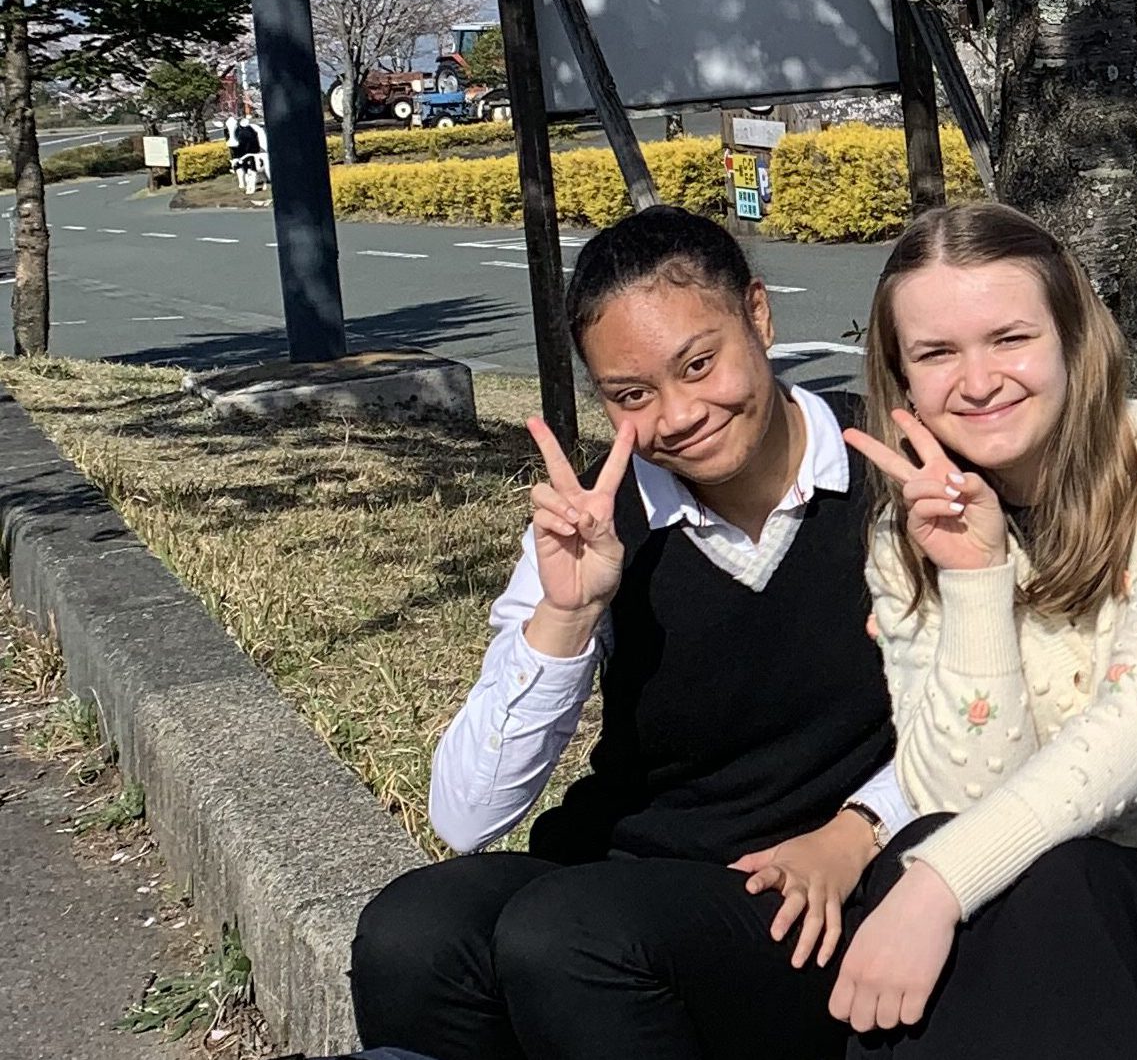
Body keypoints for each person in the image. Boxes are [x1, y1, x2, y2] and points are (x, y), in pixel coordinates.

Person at [347, 205, 914, 1060]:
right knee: (412, 933)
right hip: (630, 868)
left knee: (569, 935)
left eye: (698, 363)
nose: (679, 414)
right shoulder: (597, 516)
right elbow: (465, 816)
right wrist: (569, 611)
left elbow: (999, 702)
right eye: (631, 395)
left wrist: (861, 826)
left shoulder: (893, 474)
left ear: (758, 315)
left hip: (812, 876)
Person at [829, 203, 1137, 1060]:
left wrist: (939, 882)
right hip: (1033, 920)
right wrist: (975, 577)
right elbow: (954, 797)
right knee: (953, 861)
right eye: (937, 353)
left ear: (1071, 337)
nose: (977, 380)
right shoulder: (905, 534)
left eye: (1009, 338)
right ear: (901, 377)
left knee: (1010, 878)